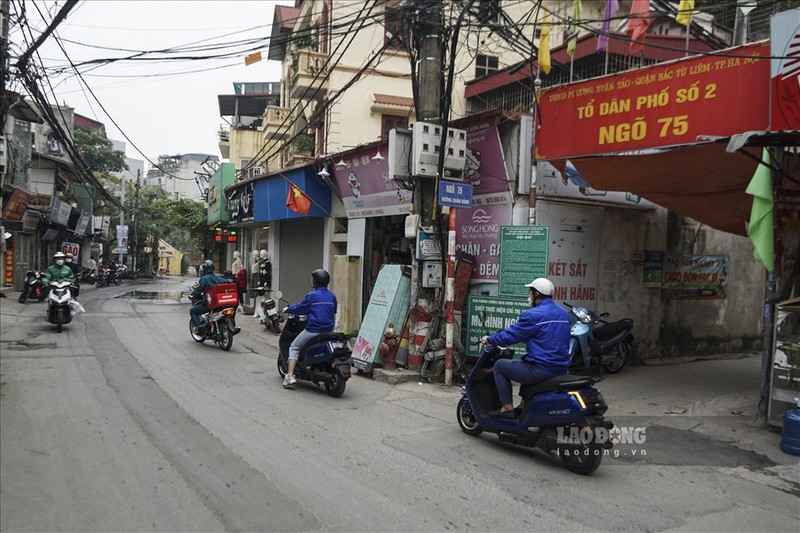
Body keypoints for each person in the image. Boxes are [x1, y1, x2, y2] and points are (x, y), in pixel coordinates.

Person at [480, 277, 571, 419]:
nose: (529, 295)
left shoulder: (533, 315)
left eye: (530, 292)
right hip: (561, 367)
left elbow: (511, 335)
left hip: (542, 368)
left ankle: (506, 407)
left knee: (499, 366)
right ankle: (524, 405)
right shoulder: (564, 313)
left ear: (536, 294)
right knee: (524, 362)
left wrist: (490, 339)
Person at [282, 268, 337, 388]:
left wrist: (288, 309)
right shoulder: (332, 296)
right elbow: (334, 311)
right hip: (328, 330)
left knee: (294, 347)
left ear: (316, 281)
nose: (311, 280)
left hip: (313, 330)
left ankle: (290, 376)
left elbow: (300, 308)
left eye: (312, 278)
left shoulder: (312, 296)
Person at [189, 260, 225, 333]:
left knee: (193, 311)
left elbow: (198, 290)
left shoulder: (204, 279)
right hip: (221, 304)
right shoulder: (221, 279)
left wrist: (193, 295)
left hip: (210, 304)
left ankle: (200, 328)